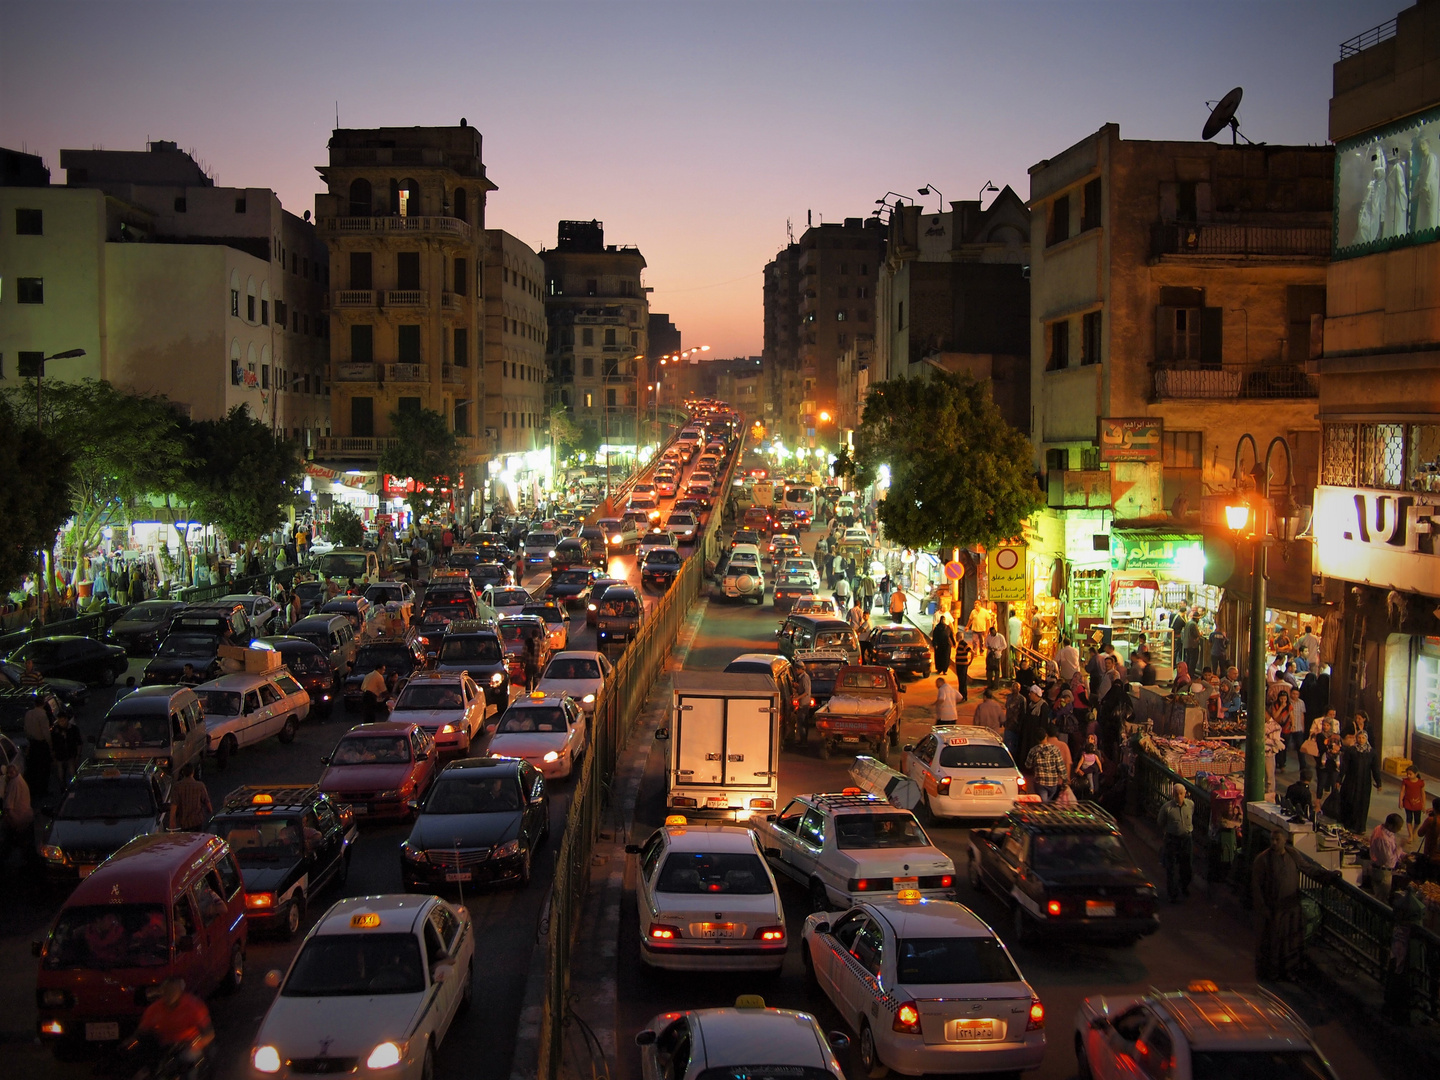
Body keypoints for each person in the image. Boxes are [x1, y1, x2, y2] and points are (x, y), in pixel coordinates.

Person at [133, 976, 214, 1079]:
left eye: (173, 990)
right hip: (165, 1045)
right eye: (167, 991)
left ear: (180, 992)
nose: (170, 994)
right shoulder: (154, 1009)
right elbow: (142, 1030)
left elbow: (209, 1033)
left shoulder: (193, 1006)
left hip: (188, 1044)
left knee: (187, 1065)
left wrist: (197, 1045)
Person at [1252, 827, 1306, 980]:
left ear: (1285, 840)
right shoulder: (1263, 859)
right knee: (1273, 942)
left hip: (1291, 908)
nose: (1274, 843)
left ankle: (1289, 971)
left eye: (1277, 840)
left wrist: (1327, 876)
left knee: (1290, 941)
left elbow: (1306, 867)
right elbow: (1256, 887)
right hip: (1274, 908)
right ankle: (1272, 972)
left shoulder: (1292, 855)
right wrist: (1263, 908)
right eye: (1272, 840)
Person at [1157, 783, 1195, 903]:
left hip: (1186, 839)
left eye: (1181, 794)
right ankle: (1172, 893)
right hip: (1172, 840)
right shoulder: (1167, 808)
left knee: (1187, 865)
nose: (1179, 796)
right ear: (1173, 795)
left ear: (1185, 794)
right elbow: (1160, 822)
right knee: (1171, 867)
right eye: (1176, 794)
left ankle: (1184, 886)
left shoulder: (1190, 805)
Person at [1338, 730, 1383, 832]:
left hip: (1364, 783)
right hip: (1351, 781)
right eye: (1359, 738)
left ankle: (1360, 827)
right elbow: (1344, 766)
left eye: (1363, 738)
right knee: (1350, 801)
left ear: (1366, 739)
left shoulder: (1371, 752)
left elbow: (1375, 768)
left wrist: (1378, 782)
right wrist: (1339, 779)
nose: (1361, 740)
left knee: (1362, 804)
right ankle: (1348, 825)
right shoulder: (1351, 750)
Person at [0, 763, 39, 872]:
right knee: (25, 844)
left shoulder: (14, 784)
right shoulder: (20, 781)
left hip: (18, 819)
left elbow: (8, 806)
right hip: (25, 818)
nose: (9, 775)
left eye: (10, 772)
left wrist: (11, 820)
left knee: (10, 843)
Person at [1024, 724, 1067, 802]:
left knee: (1043, 803)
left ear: (1036, 739)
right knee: (1048, 802)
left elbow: (1028, 765)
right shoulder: (1055, 750)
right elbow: (1061, 767)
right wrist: (1065, 780)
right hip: (1053, 783)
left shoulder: (1033, 751)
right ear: (1046, 736)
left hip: (1040, 782)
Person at [22, 700, 53, 801]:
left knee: (33, 768)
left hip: (32, 743)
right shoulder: (42, 715)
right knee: (44, 768)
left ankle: (33, 789)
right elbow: (45, 732)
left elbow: (26, 729)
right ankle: (42, 790)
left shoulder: (28, 713)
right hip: (41, 744)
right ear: (43, 704)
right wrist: (50, 745)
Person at [1369, 813, 1405, 901]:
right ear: (1390, 825)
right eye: (1398, 827)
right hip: (1382, 872)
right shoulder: (1383, 838)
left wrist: (1403, 854)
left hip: (1379, 869)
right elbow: (1389, 861)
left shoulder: (1382, 830)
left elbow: (1391, 850)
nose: (1399, 830)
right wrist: (1400, 847)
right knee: (1381, 899)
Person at [169, 764, 213, 831]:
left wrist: (172, 821)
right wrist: (210, 810)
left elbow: (174, 804)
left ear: (183, 773)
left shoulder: (177, 787)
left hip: (184, 822)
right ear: (193, 772)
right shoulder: (200, 786)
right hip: (197, 821)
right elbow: (206, 801)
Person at [51, 711, 82, 785]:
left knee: (71, 769)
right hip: (60, 753)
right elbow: (53, 743)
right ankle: (62, 784)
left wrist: (78, 754)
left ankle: (74, 783)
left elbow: (79, 742)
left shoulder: (73, 729)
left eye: (63, 720)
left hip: (70, 753)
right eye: (59, 721)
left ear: (66, 719)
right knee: (61, 769)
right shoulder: (55, 731)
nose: (61, 723)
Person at [1401, 766, 1428, 841]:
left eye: (1410, 774)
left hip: (1417, 804)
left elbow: (1423, 794)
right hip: (1407, 803)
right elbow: (1402, 791)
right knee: (1409, 819)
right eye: (1407, 774)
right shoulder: (1405, 781)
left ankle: (1414, 831)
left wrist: (1423, 805)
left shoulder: (1420, 783)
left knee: (1417, 821)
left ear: (1416, 774)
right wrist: (1400, 801)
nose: (1408, 776)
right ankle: (1410, 835)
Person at [1417, 797, 1440, 882]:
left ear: (1434, 808)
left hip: (1431, 858)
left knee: (1428, 885)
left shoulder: (1431, 820)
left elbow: (1420, 833)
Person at [952, 631, 971, 703]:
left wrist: (970, 662)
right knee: (960, 680)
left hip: (963, 665)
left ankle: (964, 696)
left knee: (963, 681)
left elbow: (971, 651)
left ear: (959, 637)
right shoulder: (959, 644)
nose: (956, 638)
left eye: (956, 637)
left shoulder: (964, 644)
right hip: (959, 665)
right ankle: (961, 696)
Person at [1005, 608, 1023, 679]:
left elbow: (1008, 631)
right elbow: (1021, 632)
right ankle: (1017, 671)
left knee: (1010, 657)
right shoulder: (1019, 621)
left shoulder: (1009, 621)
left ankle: (1012, 672)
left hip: (1011, 641)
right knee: (1017, 658)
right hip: (1018, 641)